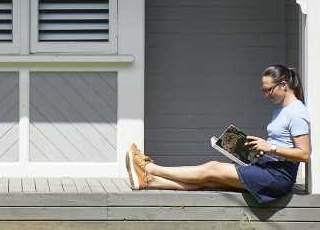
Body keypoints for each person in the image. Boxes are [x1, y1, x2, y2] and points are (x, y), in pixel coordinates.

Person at [127, 64, 309, 205]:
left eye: (269, 89)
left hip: (278, 176)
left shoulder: (297, 111)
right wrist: (255, 148)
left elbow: (305, 154)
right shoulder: (281, 109)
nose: (266, 95)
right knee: (211, 180)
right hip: (267, 165)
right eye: (263, 90)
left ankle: (149, 168)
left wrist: (272, 147)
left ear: (284, 85)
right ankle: (149, 182)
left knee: (212, 168)